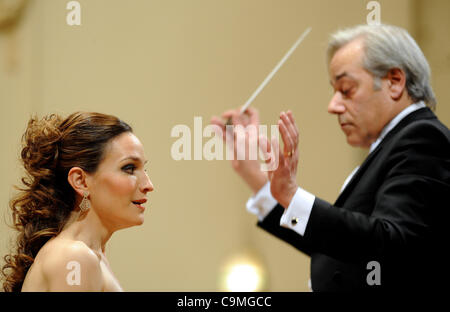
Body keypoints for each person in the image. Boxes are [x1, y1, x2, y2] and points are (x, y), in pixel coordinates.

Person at [211, 24, 450, 291]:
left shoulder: (422, 137)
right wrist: (253, 173)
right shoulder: (398, 142)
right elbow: (334, 248)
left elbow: (390, 244)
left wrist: (291, 195)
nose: (332, 106)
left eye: (346, 89)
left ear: (394, 81)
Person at [1, 112, 154, 292]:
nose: (148, 185)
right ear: (80, 181)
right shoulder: (74, 256)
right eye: (129, 168)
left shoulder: (89, 255)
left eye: (144, 169)